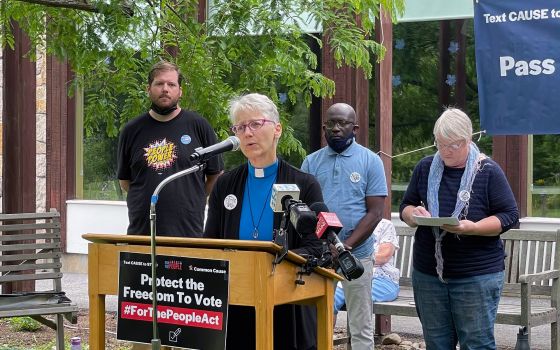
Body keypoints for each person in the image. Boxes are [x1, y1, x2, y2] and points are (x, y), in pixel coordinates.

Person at [204, 93, 324, 350]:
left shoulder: (304, 184)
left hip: (286, 303)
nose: (247, 133)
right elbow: (210, 244)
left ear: (277, 129)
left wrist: (271, 263)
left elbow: (315, 248)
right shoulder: (225, 185)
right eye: (240, 127)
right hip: (236, 301)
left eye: (255, 124)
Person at [399, 108, 519, 350]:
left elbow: (509, 216)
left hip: (476, 276)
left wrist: (472, 227)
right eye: (440, 144)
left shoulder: (488, 171)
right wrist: (414, 215)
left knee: (476, 344)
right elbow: (406, 206)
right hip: (429, 274)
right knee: (437, 344)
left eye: (452, 145)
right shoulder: (424, 168)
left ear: (467, 140)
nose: (444, 151)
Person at [301, 103, 387, 350]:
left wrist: (346, 246)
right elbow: (305, 210)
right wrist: (322, 246)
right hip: (320, 257)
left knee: (360, 327)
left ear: (355, 128)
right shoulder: (311, 162)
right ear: (324, 127)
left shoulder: (370, 161)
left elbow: (375, 212)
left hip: (357, 257)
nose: (337, 128)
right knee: (318, 321)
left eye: (343, 123)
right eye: (332, 123)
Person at [117, 60, 223, 237]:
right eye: (159, 83)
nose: (165, 88)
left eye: (171, 84)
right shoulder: (131, 130)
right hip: (142, 233)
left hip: (188, 233)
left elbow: (215, 175)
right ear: (148, 89)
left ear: (180, 91)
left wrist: (193, 196)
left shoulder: (199, 126)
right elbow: (125, 182)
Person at [333, 218, 400, 316]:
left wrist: (355, 261)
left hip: (381, 279)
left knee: (354, 296)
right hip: (346, 278)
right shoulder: (344, 223)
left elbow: (384, 256)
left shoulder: (384, 224)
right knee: (331, 297)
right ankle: (327, 331)